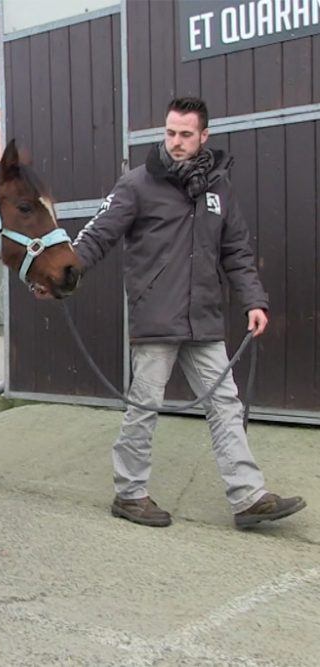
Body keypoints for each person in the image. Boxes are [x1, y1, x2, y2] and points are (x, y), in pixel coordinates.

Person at [67, 97, 305, 529]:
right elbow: (97, 236)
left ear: (204, 137)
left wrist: (254, 300)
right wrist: (61, 275)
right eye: (170, 133)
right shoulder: (136, 185)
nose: (176, 142)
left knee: (226, 406)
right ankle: (130, 493)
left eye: (185, 135)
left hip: (205, 319)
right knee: (144, 406)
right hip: (156, 318)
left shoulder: (218, 188)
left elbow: (236, 251)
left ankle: (248, 498)